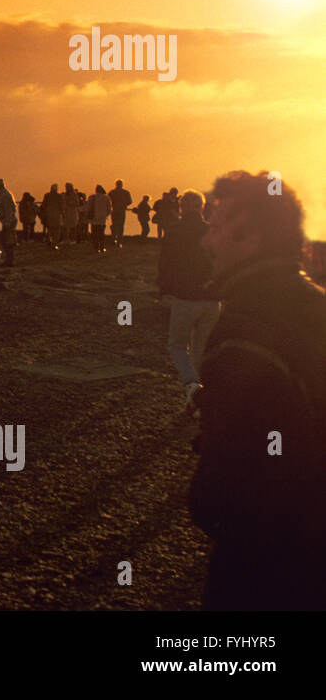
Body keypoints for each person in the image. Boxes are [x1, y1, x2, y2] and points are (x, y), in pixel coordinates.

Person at [189, 171, 326, 609]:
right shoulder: (316, 303)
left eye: (215, 228)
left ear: (249, 239)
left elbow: (231, 469)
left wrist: (208, 505)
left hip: (268, 554)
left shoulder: (243, 330)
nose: (205, 243)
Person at [158, 189, 219, 404]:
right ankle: (201, 393)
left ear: (181, 207)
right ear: (202, 207)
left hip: (184, 296)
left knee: (177, 345)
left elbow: (165, 264)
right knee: (201, 347)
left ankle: (192, 383)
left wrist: (163, 290)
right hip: (211, 299)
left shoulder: (174, 231)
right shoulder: (212, 231)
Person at [0, 178, 18, 266]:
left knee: (8, 241)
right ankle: (9, 260)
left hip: (8, 220)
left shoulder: (4, 195)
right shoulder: (5, 194)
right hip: (8, 220)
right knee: (6, 241)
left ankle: (9, 261)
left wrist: (7, 222)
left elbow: (8, 210)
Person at [108, 180, 133, 247]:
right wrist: (124, 204)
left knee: (114, 225)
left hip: (114, 210)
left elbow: (108, 201)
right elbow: (130, 201)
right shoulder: (126, 192)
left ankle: (113, 239)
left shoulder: (112, 192)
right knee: (121, 226)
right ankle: (119, 241)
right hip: (121, 211)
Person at [88, 184, 111, 253]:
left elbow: (89, 207)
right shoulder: (106, 198)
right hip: (102, 219)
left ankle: (95, 247)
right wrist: (106, 215)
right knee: (101, 234)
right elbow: (109, 209)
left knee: (94, 234)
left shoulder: (92, 197)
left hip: (93, 219)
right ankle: (101, 247)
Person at [41, 184, 63, 248]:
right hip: (57, 215)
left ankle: (49, 242)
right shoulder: (59, 196)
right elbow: (62, 206)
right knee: (56, 230)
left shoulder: (47, 195)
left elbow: (44, 205)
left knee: (50, 230)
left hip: (49, 215)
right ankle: (54, 243)